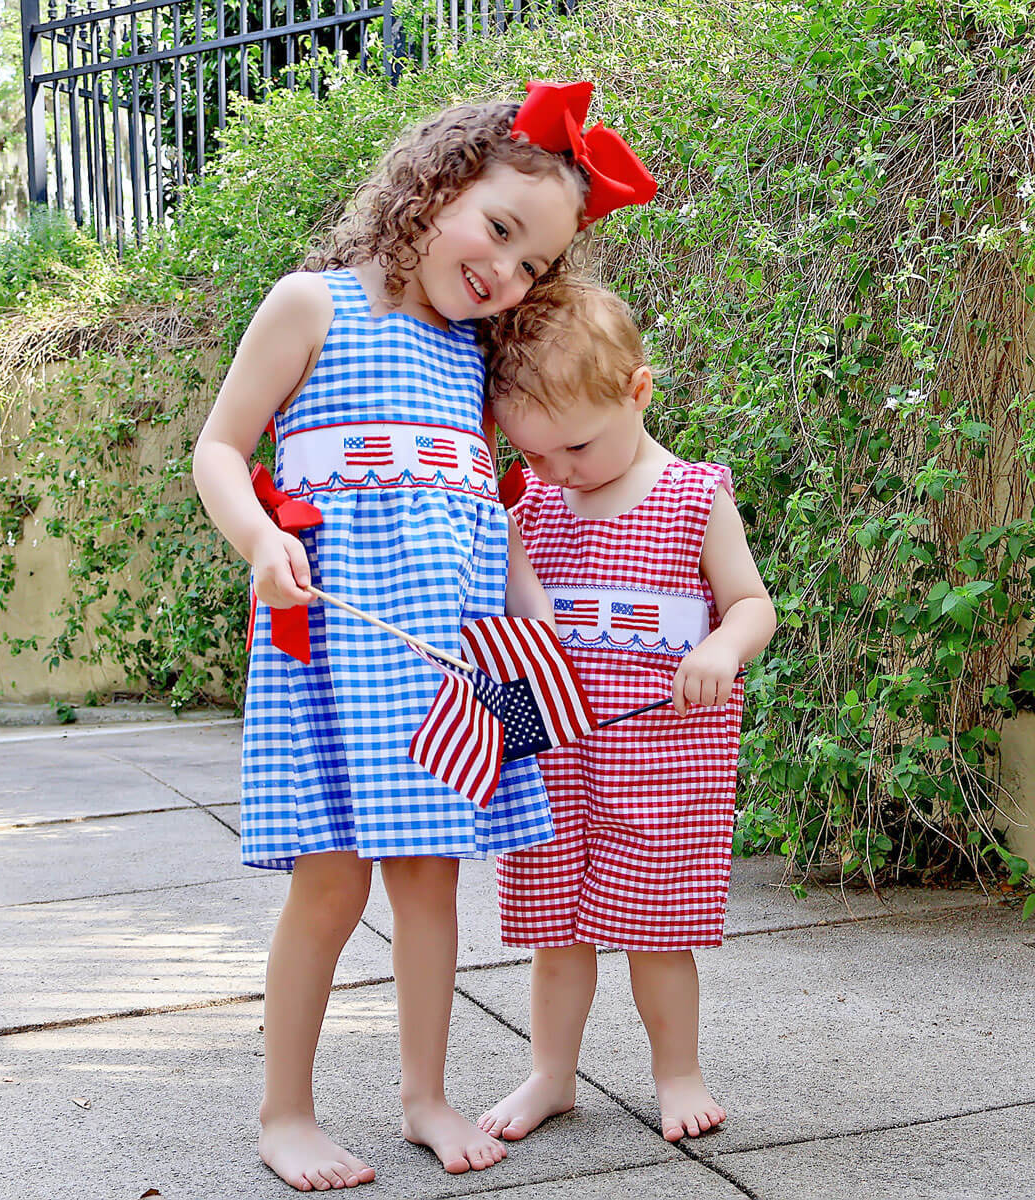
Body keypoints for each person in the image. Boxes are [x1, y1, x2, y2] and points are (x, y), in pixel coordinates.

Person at [192, 85, 656, 1191]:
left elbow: (480, 507)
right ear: (437, 184)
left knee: (430, 879)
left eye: (535, 265)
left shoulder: (472, 364)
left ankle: (424, 1095)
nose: (506, 272)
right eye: (499, 230)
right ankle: (286, 1111)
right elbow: (216, 447)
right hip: (330, 647)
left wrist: (530, 592)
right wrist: (258, 539)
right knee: (332, 881)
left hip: (438, 665)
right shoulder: (312, 306)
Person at [476, 276, 777, 1146]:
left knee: (656, 927)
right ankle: (552, 1075)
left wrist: (721, 647)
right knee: (556, 931)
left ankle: (677, 1071)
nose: (558, 472)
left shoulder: (692, 495)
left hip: (663, 758)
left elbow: (751, 603)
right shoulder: (528, 508)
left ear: (638, 391)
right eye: (533, 456)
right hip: (557, 754)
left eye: (575, 447)